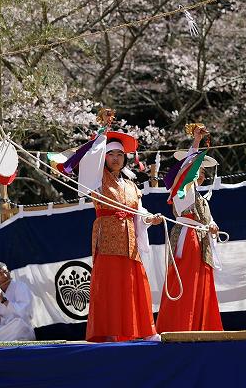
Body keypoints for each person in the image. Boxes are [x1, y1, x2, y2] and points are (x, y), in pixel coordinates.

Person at [84, 116, 161, 342]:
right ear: (104, 158)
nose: (116, 158)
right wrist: (102, 131)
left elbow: (139, 211)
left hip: (129, 239)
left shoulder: (130, 184)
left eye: (119, 154)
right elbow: (89, 161)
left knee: (133, 283)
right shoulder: (96, 179)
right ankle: (110, 332)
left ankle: (144, 331)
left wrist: (150, 219)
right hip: (107, 237)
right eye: (111, 154)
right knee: (110, 286)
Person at [157, 125, 223, 332]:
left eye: (202, 171)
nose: (199, 173)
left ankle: (202, 327)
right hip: (187, 237)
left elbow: (208, 220)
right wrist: (196, 143)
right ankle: (180, 326)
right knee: (186, 280)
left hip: (201, 240)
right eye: (197, 169)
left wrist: (212, 227)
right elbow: (188, 171)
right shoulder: (181, 191)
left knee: (201, 281)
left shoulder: (201, 199)